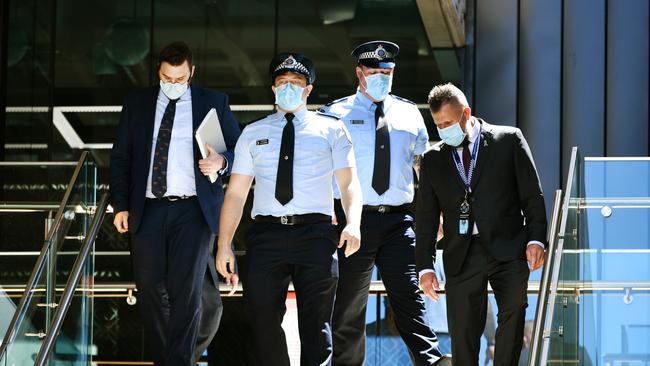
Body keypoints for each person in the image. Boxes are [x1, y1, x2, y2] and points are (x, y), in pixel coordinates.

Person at [215, 52, 363, 366]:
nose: (289, 88)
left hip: (316, 234)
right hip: (266, 235)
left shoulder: (332, 130)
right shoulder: (253, 134)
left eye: (296, 83)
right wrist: (224, 244)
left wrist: (353, 223)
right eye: (282, 82)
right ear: (272, 88)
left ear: (309, 89)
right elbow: (237, 194)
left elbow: (349, 183)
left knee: (316, 325)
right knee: (263, 321)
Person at [109, 41, 241, 365]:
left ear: (191, 73)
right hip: (148, 209)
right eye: (167, 78)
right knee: (150, 289)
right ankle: (164, 359)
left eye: (179, 79)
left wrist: (220, 162)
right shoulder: (137, 104)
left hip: (193, 211)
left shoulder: (213, 102)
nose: (173, 85)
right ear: (159, 72)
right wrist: (121, 204)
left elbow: (241, 153)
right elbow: (121, 157)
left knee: (187, 293)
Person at [319, 40, 448, 366]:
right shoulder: (335, 114)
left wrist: (438, 213)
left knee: (409, 294)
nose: (381, 77)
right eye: (374, 72)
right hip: (351, 219)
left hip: (398, 221)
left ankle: (432, 361)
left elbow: (423, 169)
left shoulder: (409, 113)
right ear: (359, 73)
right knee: (347, 304)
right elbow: (318, 168)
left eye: (386, 72)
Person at [416, 83, 547, 365]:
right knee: (463, 332)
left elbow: (532, 195)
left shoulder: (508, 140)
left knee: (512, 315)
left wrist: (537, 239)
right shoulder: (432, 159)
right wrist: (425, 266)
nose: (444, 129)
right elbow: (426, 217)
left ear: (466, 113)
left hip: (508, 247)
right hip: (461, 254)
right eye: (438, 125)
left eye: (449, 122)